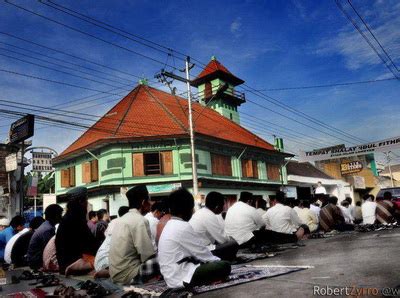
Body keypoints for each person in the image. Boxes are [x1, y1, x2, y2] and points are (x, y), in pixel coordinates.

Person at [159, 188, 231, 289]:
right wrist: (219, 261)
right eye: (192, 208)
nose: (193, 212)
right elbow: (204, 254)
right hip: (181, 276)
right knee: (224, 266)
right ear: (187, 209)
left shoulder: (170, 224)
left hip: (171, 275)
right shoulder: (182, 227)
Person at [109, 185, 157, 285]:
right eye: (149, 200)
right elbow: (147, 255)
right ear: (143, 203)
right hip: (129, 276)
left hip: (115, 274)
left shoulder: (121, 220)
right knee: (165, 260)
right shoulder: (140, 220)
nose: (151, 204)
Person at [56, 187, 99, 275]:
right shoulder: (76, 219)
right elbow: (90, 244)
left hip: (65, 263)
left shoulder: (68, 217)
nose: (87, 204)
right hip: (73, 263)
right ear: (80, 202)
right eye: (86, 200)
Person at [189, 192, 239, 261]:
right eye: (222, 206)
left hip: (196, 249)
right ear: (217, 207)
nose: (223, 208)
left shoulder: (201, 212)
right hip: (202, 251)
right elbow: (223, 240)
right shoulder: (209, 216)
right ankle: (228, 260)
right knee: (234, 243)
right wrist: (231, 239)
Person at [94, 206, 129, 277]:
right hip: (108, 261)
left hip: (99, 255)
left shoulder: (112, 222)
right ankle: (108, 271)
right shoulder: (127, 224)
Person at [27, 204, 63, 270]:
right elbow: (49, 250)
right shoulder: (47, 229)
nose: (61, 217)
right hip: (36, 262)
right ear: (55, 216)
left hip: (34, 259)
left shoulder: (47, 226)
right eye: (60, 214)